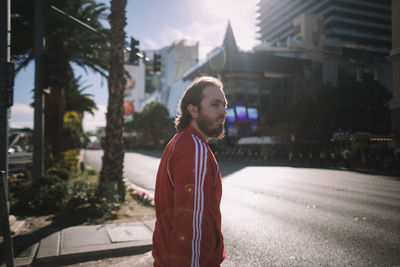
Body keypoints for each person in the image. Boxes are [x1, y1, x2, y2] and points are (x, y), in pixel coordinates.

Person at [152, 76, 227, 267]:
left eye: (224, 105)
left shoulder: (180, 142)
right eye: (215, 105)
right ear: (193, 110)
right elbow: (190, 224)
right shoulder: (195, 149)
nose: (223, 112)